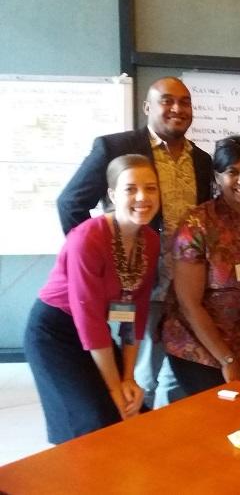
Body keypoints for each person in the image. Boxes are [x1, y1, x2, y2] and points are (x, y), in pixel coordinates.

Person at [57, 76, 213, 409]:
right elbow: (70, 202)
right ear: (147, 107)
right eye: (167, 100)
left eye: (185, 102)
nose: (177, 108)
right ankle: (137, 428)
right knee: (143, 375)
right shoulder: (115, 147)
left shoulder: (202, 160)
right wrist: (101, 263)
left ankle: (169, 429)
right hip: (141, 284)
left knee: (179, 368)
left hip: (186, 287)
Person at [25, 155, 160, 444]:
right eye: (130, 189)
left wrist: (128, 377)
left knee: (135, 411)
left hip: (95, 333)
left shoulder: (150, 240)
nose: (142, 197)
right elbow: (89, 320)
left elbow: (135, 311)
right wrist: (114, 388)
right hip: (55, 333)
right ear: (112, 194)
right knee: (94, 419)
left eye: (151, 188)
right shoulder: (87, 238)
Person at [161, 136, 240, 394]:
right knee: (222, 409)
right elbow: (189, 303)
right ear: (218, 177)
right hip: (197, 344)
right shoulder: (196, 224)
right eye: (233, 172)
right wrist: (227, 359)